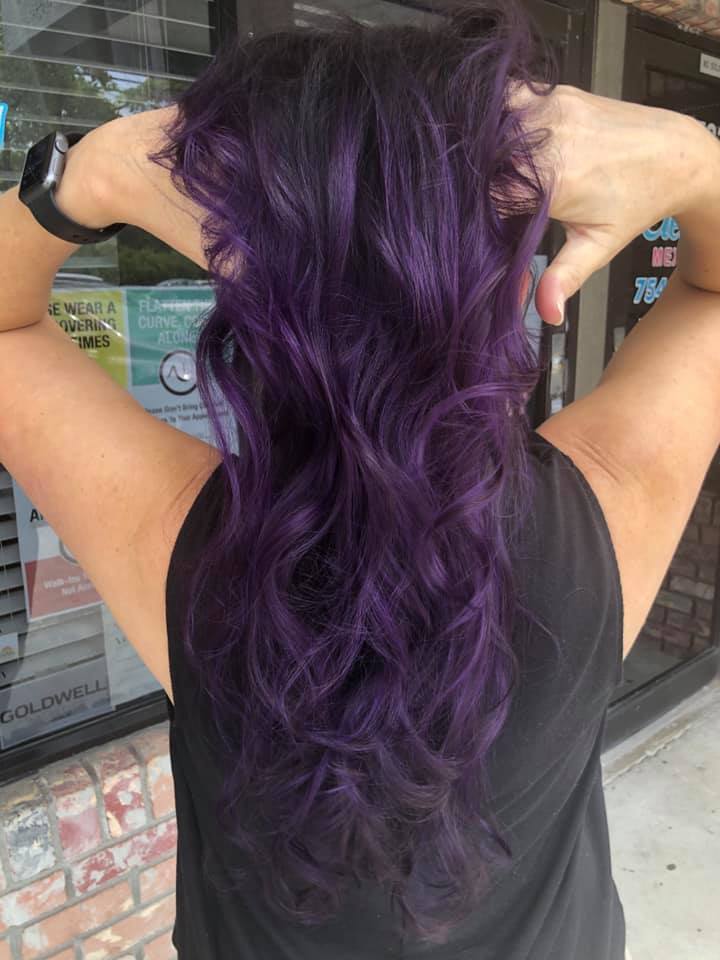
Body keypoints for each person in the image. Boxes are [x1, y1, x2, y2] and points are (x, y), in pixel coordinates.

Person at [0, 3, 718, 958]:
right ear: (506, 269)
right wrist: (695, 159)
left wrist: (91, 173)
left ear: (249, 288)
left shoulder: (192, 554)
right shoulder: (601, 523)